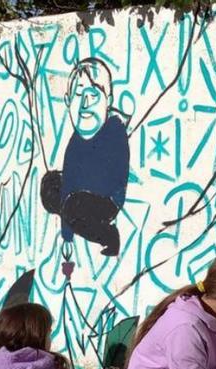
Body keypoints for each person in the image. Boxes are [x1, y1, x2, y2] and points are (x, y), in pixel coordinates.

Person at [41, 57, 130, 257]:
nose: (85, 103)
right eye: (79, 94)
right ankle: (73, 217)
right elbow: (69, 184)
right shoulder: (74, 143)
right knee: (52, 185)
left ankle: (109, 236)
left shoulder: (114, 130)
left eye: (94, 94)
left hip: (106, 200)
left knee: (74, 205)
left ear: (109, 100)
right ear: (67, 100)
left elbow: (115, 178)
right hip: (78, 198)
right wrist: (67, 237)